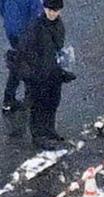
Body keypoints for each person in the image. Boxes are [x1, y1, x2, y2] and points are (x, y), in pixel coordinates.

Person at [12, 0, 74, 149]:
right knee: (39, 104)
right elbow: (25, 51)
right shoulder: (36, 27)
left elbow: (58, 48)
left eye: (55, 10)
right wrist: (31, 73)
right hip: (38, 74)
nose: (52, 13)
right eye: (50, 10)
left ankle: (50, 130)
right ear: (45, 9)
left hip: (52, 72)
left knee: (52, 102)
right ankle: (39, 135)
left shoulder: (59, 25)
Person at [1, 0, 42, 110]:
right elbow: (37, 14)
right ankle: (30, 98)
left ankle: (9, 99)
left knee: (18, 63)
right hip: (26, 32)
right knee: (30, 64)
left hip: (11, 31)